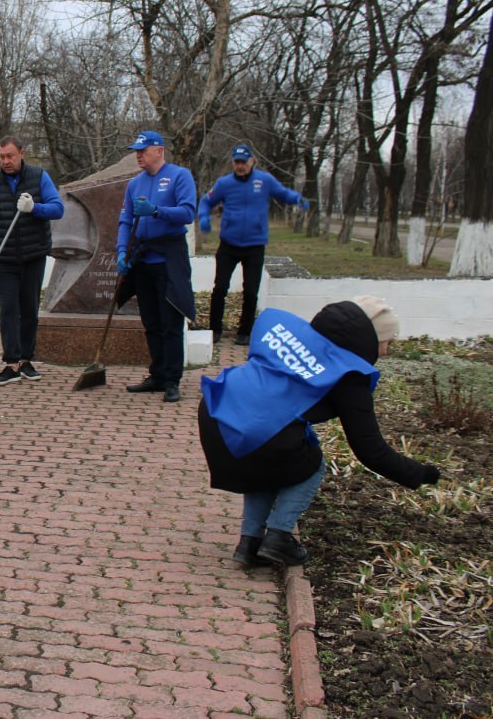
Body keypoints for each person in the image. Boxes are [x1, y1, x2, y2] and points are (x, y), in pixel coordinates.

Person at [198, 296, 440, 568]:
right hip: (255, 427)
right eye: (387, 342)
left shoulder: (296, 332)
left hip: (216, 410)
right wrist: (419, 474)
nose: (385, 351)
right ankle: (279, 537)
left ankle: (249, 543)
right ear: (371, 339)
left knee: (264, 464)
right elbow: (370, 450)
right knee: (311, 466)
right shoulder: (349, 375)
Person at [115, 130, 197, 403]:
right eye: (136, 150)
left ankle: (172, 379)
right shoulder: (134, 184)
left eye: (143, 150)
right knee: (150, 322)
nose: (138, 155)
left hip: (169, 256)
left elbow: (187, 213)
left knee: (170, 321)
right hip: (143, 257)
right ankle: (158, 374)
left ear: (159, 150)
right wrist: (121, 252)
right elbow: (126, 221)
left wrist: (156, 211)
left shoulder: (179, 176)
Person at [199, 144, 309, 346]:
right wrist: (204, 216)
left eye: (243, 162)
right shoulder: (224, 183)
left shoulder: (264, 180)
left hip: (254, 245)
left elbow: (282, 194)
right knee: (220, 287)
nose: (240, 166)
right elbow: (206, 201)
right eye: (236, 162)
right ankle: (214, 330)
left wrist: (298, 199)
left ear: (252, 161)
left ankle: (245, 332)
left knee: (250, 291)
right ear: (233, 163)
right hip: (229, 244)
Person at [0, 136, 65, 386]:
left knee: (29, 310)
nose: (5, 161)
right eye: (1, 157)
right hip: (4, 259)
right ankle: (11, 363)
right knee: (8, 309)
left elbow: (58, 209)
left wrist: (34, 207)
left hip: (33, 255)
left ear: (21, 153)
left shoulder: (39, 177)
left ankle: (26, 360)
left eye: (10, 156)